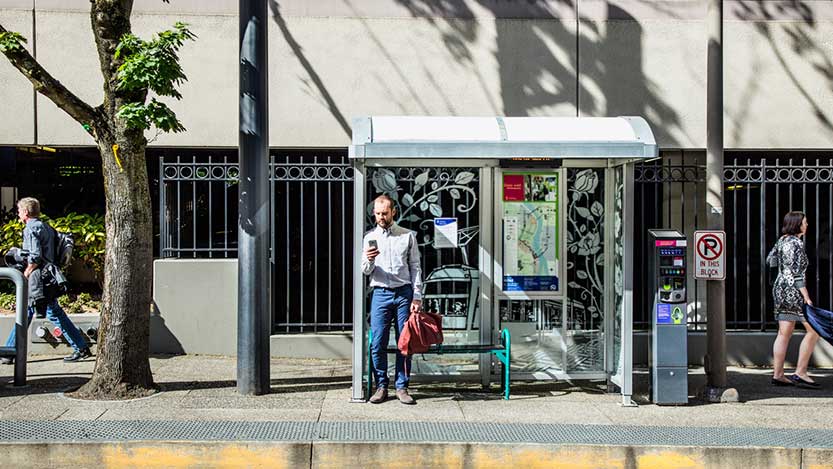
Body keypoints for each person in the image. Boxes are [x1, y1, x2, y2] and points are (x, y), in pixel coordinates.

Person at [0, 197, 91, 365]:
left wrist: (26, 273)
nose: (18, 214)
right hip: (47, 277)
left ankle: (9, 352)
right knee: (44, 311)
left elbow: (34, 256)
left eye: (19, 211)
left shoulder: (30, 228)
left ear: (26, 212)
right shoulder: (45, 226)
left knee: (30, 311)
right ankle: (81, 346)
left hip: (38, 279)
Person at [362, 194, 423, 405]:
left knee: (404, 343)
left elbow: (415, 267)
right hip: (380, 293)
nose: (381, 217)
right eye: (377, 213)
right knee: (377, 342)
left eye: (384, 213)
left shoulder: (407, 236)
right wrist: (369, 260)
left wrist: (417, 296)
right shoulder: (369, 238)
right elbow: (365, 270)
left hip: (404, 293)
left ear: (393, 212)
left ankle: (402, 386)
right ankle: (381, 385)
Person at [768, 211, 820, 388]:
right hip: (794, 290)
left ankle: (778, 374)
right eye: (805, 222)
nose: (807, 225)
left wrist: (782, 274)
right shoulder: (797, 243)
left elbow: (770, 260)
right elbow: (797, 273)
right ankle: (801, 371)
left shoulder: (782, 240)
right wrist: (806, 296)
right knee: (814, 330)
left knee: (784, 333)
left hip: (779, 288)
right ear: (797, 224)